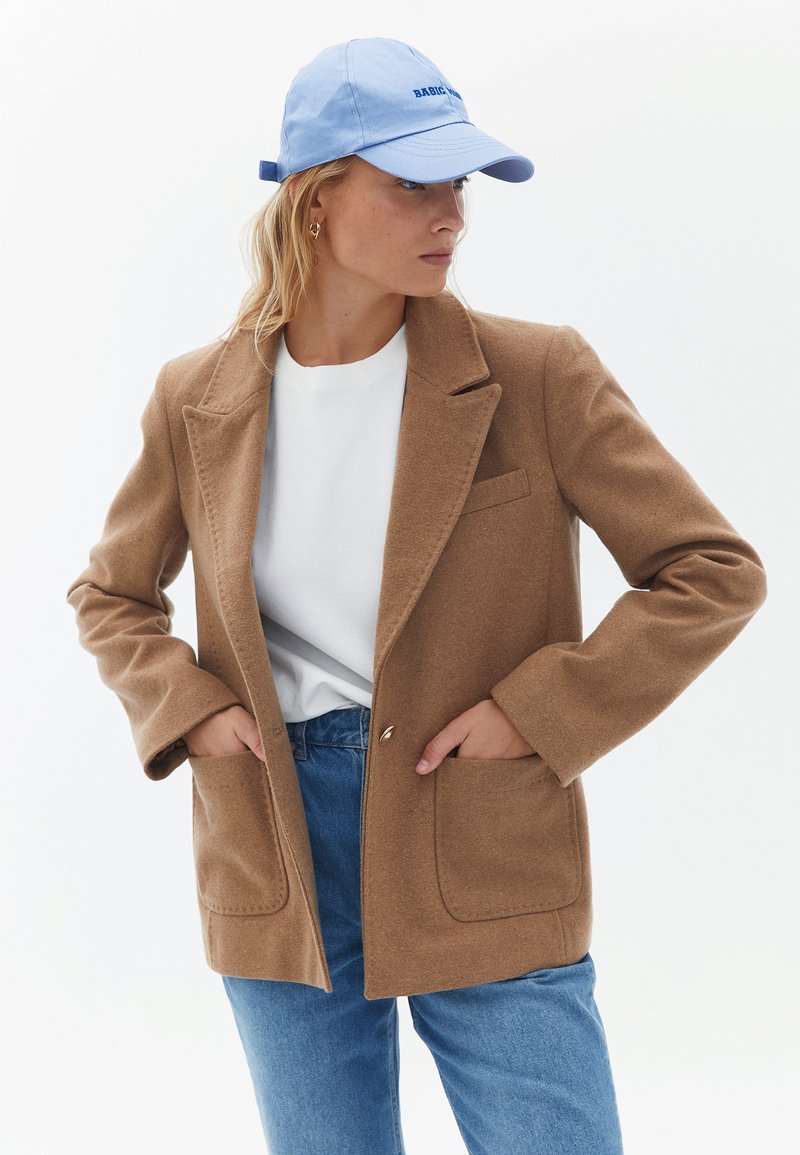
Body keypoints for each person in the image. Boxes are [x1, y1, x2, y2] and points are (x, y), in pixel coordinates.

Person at [66, 36, 768, 1155]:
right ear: (315, 201)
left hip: (474, 822)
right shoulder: (196, 397)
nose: (452, 215)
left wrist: (539, 712)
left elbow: (710, 571)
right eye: (413, 185)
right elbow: (111, 593)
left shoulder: (535, 374)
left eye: (459, 185)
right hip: (274, 835)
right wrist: (188, 710)